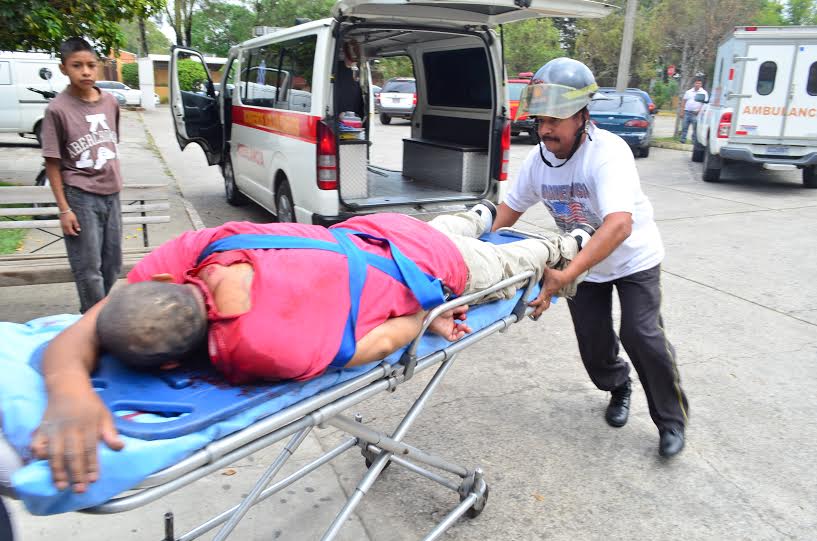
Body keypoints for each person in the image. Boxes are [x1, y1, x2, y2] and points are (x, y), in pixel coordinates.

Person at [23, 207, 584, 493]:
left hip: (435, 268)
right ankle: (481, 215)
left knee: (512, 264)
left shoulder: (259, 346)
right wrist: (68, 385)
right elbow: (103, 318)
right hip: (377, 231)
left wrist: (425, 319)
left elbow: (382, 340)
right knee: (443, 230)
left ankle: (563, 242)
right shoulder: (205, 248)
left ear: (173, 363)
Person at [500, 57, 689, 458]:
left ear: (582, 116)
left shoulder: (608, 152)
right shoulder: (538, 162)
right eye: (540, 118)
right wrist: (473, 246)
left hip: (633, 259)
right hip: (586, 264)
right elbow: (508, 211)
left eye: (556, 118)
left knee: (642, 335)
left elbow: (619, 225)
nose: (545, 127)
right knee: (594, 345)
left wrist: (565, 273)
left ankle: (671, 420)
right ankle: (618, 385)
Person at [41, 37, 123, 314]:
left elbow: (111, 144)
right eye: (77, 66)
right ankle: (94, 323)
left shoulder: (110, 102)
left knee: (112, 263)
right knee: (88, 269)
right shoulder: (57, 110)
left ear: (98, 67)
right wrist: (64, 209)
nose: (85, 71)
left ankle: (92, 315)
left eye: (90, 65)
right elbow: (53, 163)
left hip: (112, 193)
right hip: (80, 197)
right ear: (64, 68)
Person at [678, 78, 707, 144]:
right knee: (684, 127)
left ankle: (693, 142)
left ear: (701, 84)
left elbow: (704, 104)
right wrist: (682, 111)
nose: (698, 84)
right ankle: (683, 140)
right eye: (696, 83)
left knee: (695, 128)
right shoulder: (688, 92)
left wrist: (699, 111)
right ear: (694, 84)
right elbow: (684, 101)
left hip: (696, 113)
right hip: (687, 112)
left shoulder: (704, 93)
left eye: (699, 83)